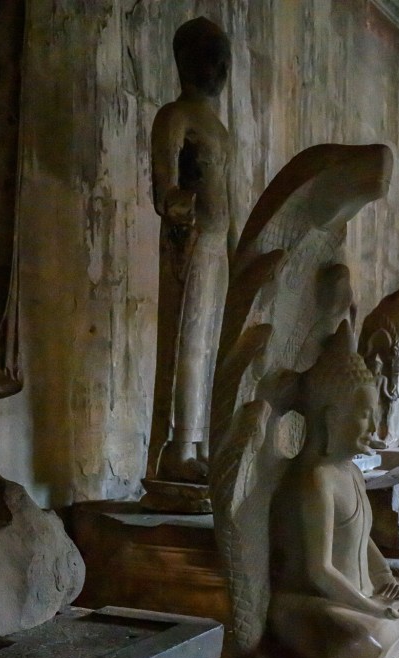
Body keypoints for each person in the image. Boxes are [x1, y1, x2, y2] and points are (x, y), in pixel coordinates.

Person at [268, 324, 399, 658]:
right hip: (314, 603)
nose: (375, 426)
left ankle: (390, 633)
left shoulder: (351, 472)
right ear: (331, 418)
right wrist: (373, 609)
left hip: (363, 596)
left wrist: (386, 579)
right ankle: (391, 637)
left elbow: (364, 541)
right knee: (357, 645)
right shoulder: (315, 479)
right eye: (364, 414)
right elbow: (318, 572)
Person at [146, 17, 231, 484]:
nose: (221, 68)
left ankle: (200, 444)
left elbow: (230, 197)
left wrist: (236, 248)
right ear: (186, 62)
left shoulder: (218, 128)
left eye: (224, 59)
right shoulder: (174, 117)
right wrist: (191, 212)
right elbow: (164, 192)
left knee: (210, 347)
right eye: (212, 58)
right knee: (187, 345)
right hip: (191, 242)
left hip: (216, 245)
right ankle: (178, 449)